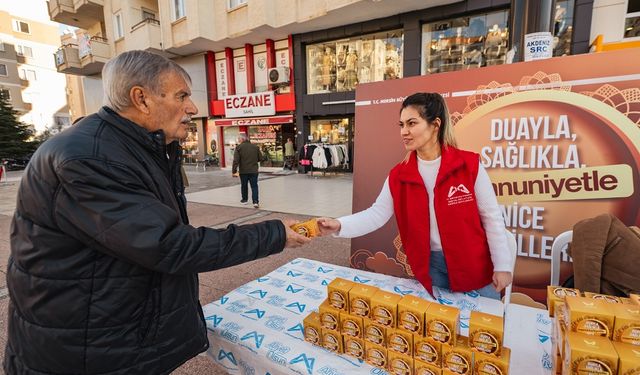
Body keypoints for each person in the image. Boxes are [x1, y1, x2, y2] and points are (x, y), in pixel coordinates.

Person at [4, 50, 310, 375]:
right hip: (83, 349)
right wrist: (275, 234)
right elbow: (169, 245)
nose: (192, 108)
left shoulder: (133, 147)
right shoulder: (89, 158)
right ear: (142, 99)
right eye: (182, 96)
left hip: (107, 333)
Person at [317, 92, 512, 300]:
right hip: (431, 266)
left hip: (474, 264)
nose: (404, 132)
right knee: (440, 326)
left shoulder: (468, 165)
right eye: (401, 125)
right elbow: (377, 214)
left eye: (411, 123)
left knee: (482, 327)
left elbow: (492, 218)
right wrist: (338, 225)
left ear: (435, 125)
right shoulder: (399, 175)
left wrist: (502, 265)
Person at [232, 133, 262, 208]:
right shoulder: (255, 147)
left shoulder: (238, 147)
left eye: (239, 139)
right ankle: (255, 202)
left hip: (243, 171)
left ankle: (244, 200)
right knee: (254, 186)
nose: (238, 140)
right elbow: (260, 158)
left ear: (242, 139)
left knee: (244, 185)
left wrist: (234, 171)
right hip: (254, 170)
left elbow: (236, 161)